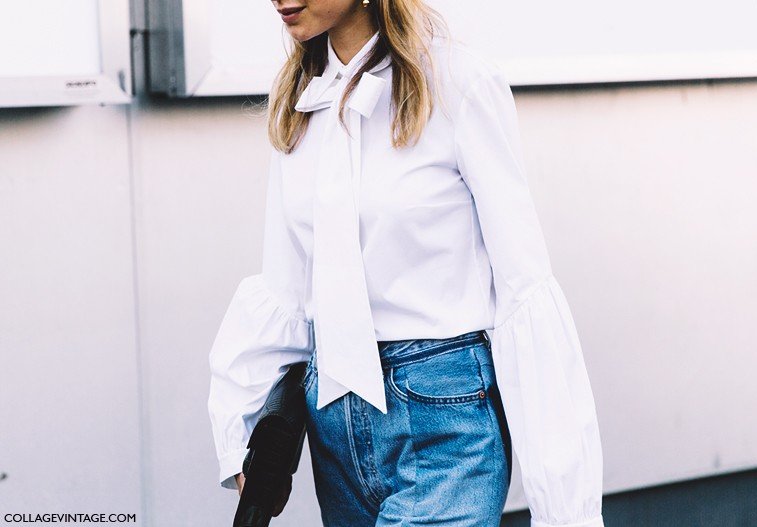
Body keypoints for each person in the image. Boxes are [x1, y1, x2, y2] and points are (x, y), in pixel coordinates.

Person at [207, 0, 605, 525]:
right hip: (335, 428)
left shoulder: (459, 85)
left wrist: (565, 504)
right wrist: (240, 425)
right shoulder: (301, 99)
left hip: (443, 419)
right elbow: (286, 285)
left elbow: (523, 284)